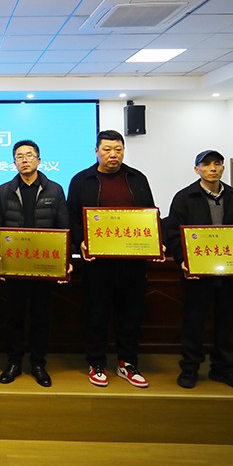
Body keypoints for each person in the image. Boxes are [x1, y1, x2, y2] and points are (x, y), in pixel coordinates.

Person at [163, 150, 233, 391]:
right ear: (197, 169)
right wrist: (183, 259)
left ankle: (224, 368)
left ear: (223, 169)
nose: (213, 168)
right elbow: (173, 232)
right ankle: (190, 368)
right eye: (206, 164)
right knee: (194, 320)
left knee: (227, 321)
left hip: (230, 272)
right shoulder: (184, 197)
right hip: (197, 273)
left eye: (217, 164)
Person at [67, 130, 157, 388]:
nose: (113, 154)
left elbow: (148, 214)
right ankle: (96, 362)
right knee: (96, 313)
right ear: (96, 151)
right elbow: (72, 217)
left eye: (118, 149)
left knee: (131, 313)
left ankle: (127, 363)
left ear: (123, 151)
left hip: (132, 261)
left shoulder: (137, 178)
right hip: (97, 263)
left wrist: (154, 240)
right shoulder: (82, 180)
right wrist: (80, 241)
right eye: (107, 149)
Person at [0, 140, 69, 388]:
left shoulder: (54, 190)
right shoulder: (4, 190)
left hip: (43, 267)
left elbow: (63, 227)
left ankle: (38, 363)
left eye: (29, 155)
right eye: (19, 156)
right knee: (14, 316)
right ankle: (14, 362)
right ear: (14, 162)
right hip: (13, 267)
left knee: (40, 317)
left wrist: (64, 261)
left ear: (39, 160)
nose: (24, 160)